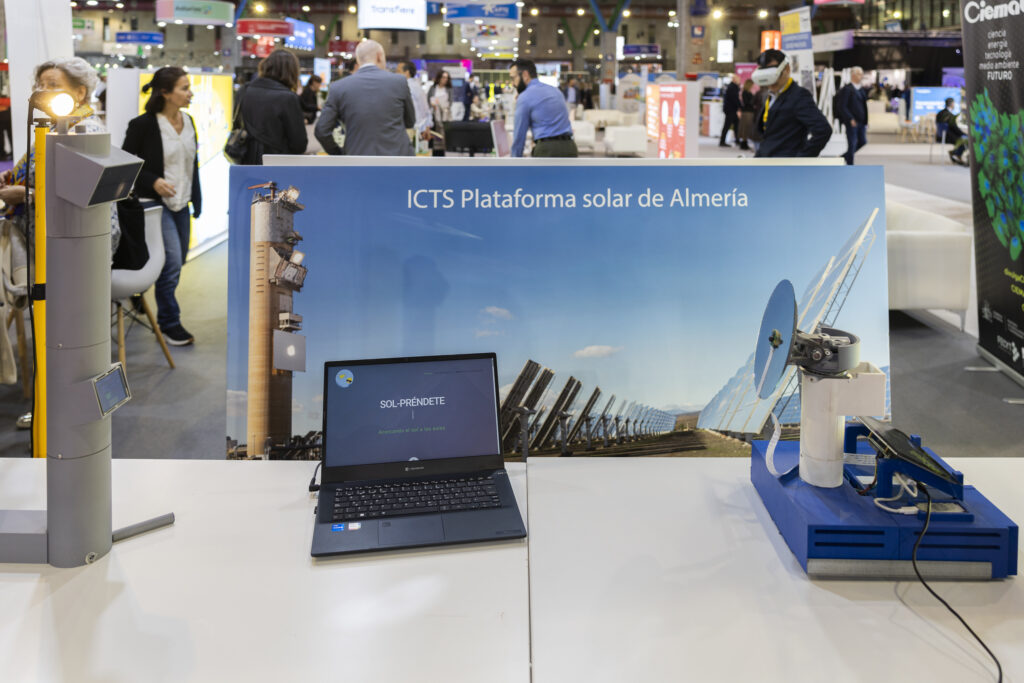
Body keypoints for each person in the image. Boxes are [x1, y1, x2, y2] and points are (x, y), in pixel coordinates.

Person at [2, 57, 114, 430]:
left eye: (53, 84)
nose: (43, 91)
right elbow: (29, 174)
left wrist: (24, 195)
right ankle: (52, 404)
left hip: (72, 248)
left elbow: (77, 195)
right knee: (54, 328)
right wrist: (14, 185)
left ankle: (57, 409)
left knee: (64, 331)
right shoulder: (47, 131)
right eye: (41, 83)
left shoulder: (84, 132)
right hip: (46, 244)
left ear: (79, 92)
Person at [122, 66, 202, 347]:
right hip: (154, 203)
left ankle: (138, 291)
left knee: (178, 261)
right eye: (184, 88)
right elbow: (127, 164)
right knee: (171, 264)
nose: (190, 93)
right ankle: (169, 322)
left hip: (182, 203)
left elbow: (192, 164)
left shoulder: (189, 121)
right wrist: (153, 181)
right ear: (165, 93)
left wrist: (197, 200)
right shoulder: (142, 125)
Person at [315, 40, 414, 156]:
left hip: (357, 159)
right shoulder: (399, 82)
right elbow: (410, 121)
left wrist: (338, 154)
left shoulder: (338, 87)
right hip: (398, 158)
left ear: (358, 60)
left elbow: (322, 131)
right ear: (379, 56)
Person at [754, 49, 832, 158]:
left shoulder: (799, 96)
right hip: (765, 160)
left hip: (786, 164)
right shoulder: (770, 95)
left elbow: (823, 130)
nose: (771, 80)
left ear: (787, 69)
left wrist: (800, 160)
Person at [235, 49, 308, 164]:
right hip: (276, 164)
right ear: (291, 71)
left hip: (244, 160)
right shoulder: (288, 97)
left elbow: (236, 124)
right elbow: (299, 144)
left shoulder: (244, 90)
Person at [508, 58, 577, 158]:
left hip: (547, 150)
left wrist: (514, 162)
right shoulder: (555, 91)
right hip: (570, 147)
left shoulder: (525, 97)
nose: (513, 83)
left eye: (513, 78)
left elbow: (519, 136)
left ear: (525, 75)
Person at [836, 66, 868, 165]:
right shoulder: (847, 89)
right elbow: (842, 106)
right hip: (852, 122)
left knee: (862, 142)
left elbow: (864, 106)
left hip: (861, 122)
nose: (861, 76)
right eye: (859, 74)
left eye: (861, 74)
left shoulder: (861, 89)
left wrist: (866, 121)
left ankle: (843, 157)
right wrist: (850, 118)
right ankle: (850, 165)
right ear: (853, 75)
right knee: (852, 143)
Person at [398, 61, 432, 146]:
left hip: (410, 131)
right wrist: (427, 126)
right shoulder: (418, 87)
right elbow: (426, 110)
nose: (396, 74)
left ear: (407, 73)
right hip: (418, 131)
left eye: (398, 71)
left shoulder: (406, 87)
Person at [937, 97, 968, 165]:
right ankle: (956, 154)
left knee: (964, 138)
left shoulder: (940, 113)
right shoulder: (949, 115)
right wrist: (963, 134)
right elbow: (954, 127)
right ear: (951, 104)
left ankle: (955, 153)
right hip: (948, 136)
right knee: (966, 140)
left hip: (940, 135)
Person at [719, 74, 741, 147]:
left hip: (731, 109)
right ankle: (722, 141)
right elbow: (734, 99)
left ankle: (737, 140)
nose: (739, 81)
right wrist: (740, 106)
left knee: (736, 124)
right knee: (727, 125)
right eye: (738, 79)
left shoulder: (732, 87)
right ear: (734, 79)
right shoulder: (733, 87)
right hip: (730, 109)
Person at [736, 79, 755, 151]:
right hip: (747, 112)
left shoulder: (748, 92)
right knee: (745, 128)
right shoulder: (745, 92)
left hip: (748, 112)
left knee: (746, 128)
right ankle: (744, 143)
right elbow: (747, 102)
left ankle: (745, 142)